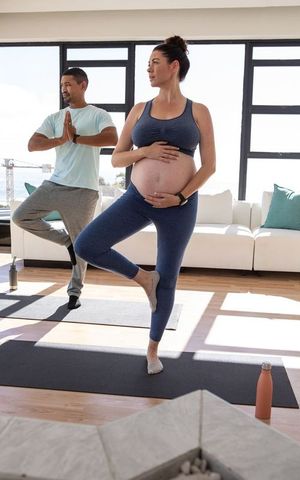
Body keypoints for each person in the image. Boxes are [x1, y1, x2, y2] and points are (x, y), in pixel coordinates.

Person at [74, 36, 216, 374]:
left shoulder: (198, 111)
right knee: (86, 244)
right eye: (148, 63)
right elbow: (116, 158)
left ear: (174, 66)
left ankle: (152, 351)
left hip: (179, 206)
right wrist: (145, 152)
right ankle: (142, 278)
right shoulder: (140, 109)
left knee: (168, 276)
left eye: (154, 62)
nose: (149, 69)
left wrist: (180, 196)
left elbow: (209, 165)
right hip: (136, 199)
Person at [12, 67, 118, 310]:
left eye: (69, 84)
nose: (64, 89)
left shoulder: (98, 114)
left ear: (84, 85)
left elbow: (112, 139)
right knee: (21, 217)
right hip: (55, 184)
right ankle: (65, 242)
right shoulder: (55, 117)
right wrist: (61, 139)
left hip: (84, 190)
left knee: (82, 244)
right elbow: (33, 144)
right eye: (62, 85)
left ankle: (74, 292)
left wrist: (77, 138)